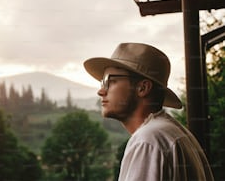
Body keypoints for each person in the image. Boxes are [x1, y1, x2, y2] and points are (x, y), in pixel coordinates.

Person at [83, 42, 214, 181]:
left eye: (110, 81)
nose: (101, 91)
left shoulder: (148, 141)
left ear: (143, 88)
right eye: (102, 82)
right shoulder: (174, 133)